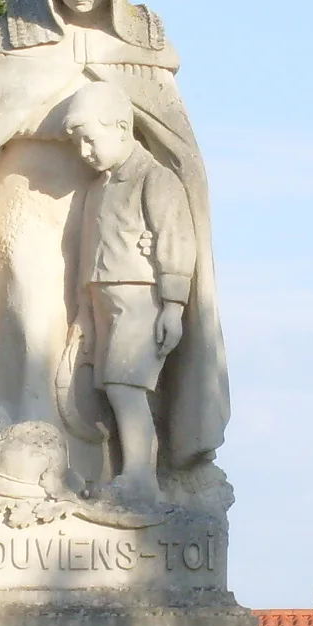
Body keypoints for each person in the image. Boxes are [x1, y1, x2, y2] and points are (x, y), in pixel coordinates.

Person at [0, 0, 230, 497]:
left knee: (106, 347)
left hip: (111, 210)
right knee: (28, 314)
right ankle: (30, 461)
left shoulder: (142, 39)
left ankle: (109, 472)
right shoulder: (14, 33)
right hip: (25, 196)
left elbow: (172, 141)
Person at [61, 84, 194, 507]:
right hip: (104, 298)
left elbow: (175, 238)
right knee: (112, 390)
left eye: (89, 139)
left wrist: (172, 306)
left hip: (139, 298)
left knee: (126, 388)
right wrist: (84, 306)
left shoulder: (155, 178)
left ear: (121, 127)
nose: (83, 151)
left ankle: (141, 480)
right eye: (77, 142)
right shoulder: (98, 187)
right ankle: (125, 473)